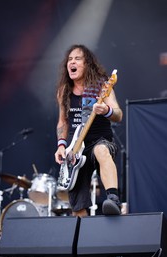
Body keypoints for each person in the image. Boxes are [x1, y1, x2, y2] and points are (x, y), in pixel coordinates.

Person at [54, 44, 123, 217]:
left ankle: (113, 199)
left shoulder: (102, 86)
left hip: (100, 140)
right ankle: (83, 238)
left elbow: (118, 114)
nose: (72, 62)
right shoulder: (64, 91)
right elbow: (63, 122)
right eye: (70, 59)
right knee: (78, 209)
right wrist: (61, 146)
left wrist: (105, 110)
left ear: (87, 64)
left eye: (77, 58)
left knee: (101, 150)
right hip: (76, 149)